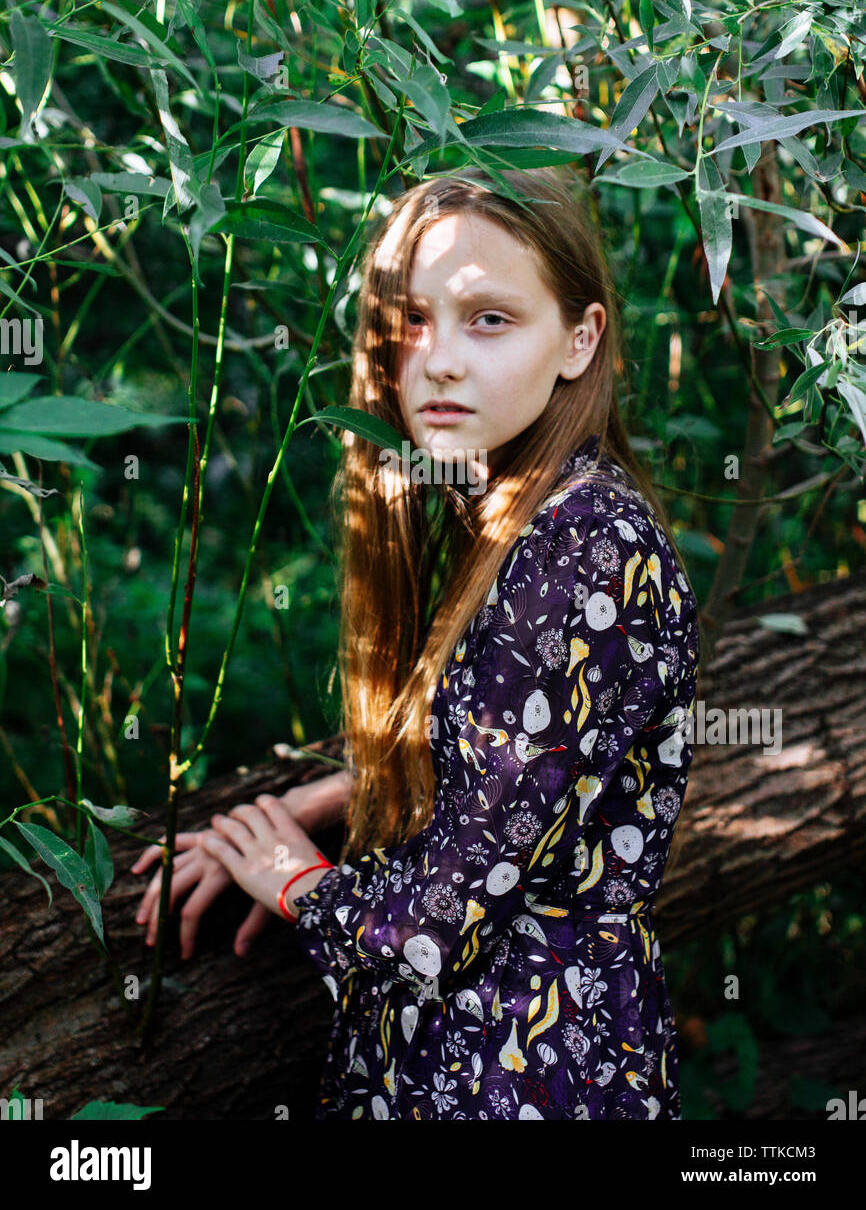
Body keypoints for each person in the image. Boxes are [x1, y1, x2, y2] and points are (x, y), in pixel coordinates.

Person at [132, 165, 700, 1120]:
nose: (436, 360)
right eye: (412, 319)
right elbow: (543, 776)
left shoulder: (586, 543)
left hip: (528, 1081)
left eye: (489, 319)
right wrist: (357, 786)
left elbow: (424, 934)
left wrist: (287, 880)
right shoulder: (526, 522)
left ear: (580, 338)